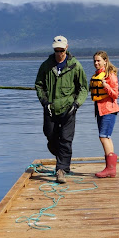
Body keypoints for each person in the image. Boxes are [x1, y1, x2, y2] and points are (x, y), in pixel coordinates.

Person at [35, 35, 88, 183]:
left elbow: (84, 88)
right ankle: (62, 157)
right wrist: (44, 102)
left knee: (66, 139)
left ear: (67, 48)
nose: (59, 53)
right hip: (50, 108)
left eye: (61, 50)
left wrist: (76, 104)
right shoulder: (46, 65)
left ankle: (61, 170)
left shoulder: (75, 65)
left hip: (68, 108)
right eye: (56, 50)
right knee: (50, 135)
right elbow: (39, 85)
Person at [91, 50, 119, 178]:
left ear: (105, 61)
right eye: (94, 61)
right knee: (106, 137)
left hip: (109, 110)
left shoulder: (110, 75)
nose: (96, 63)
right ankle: (110, 168)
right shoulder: (98, 74)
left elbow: (115, 94)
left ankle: (110, 168)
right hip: (100, 109)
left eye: (98, 60)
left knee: (104, 136)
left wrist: (105, 85)